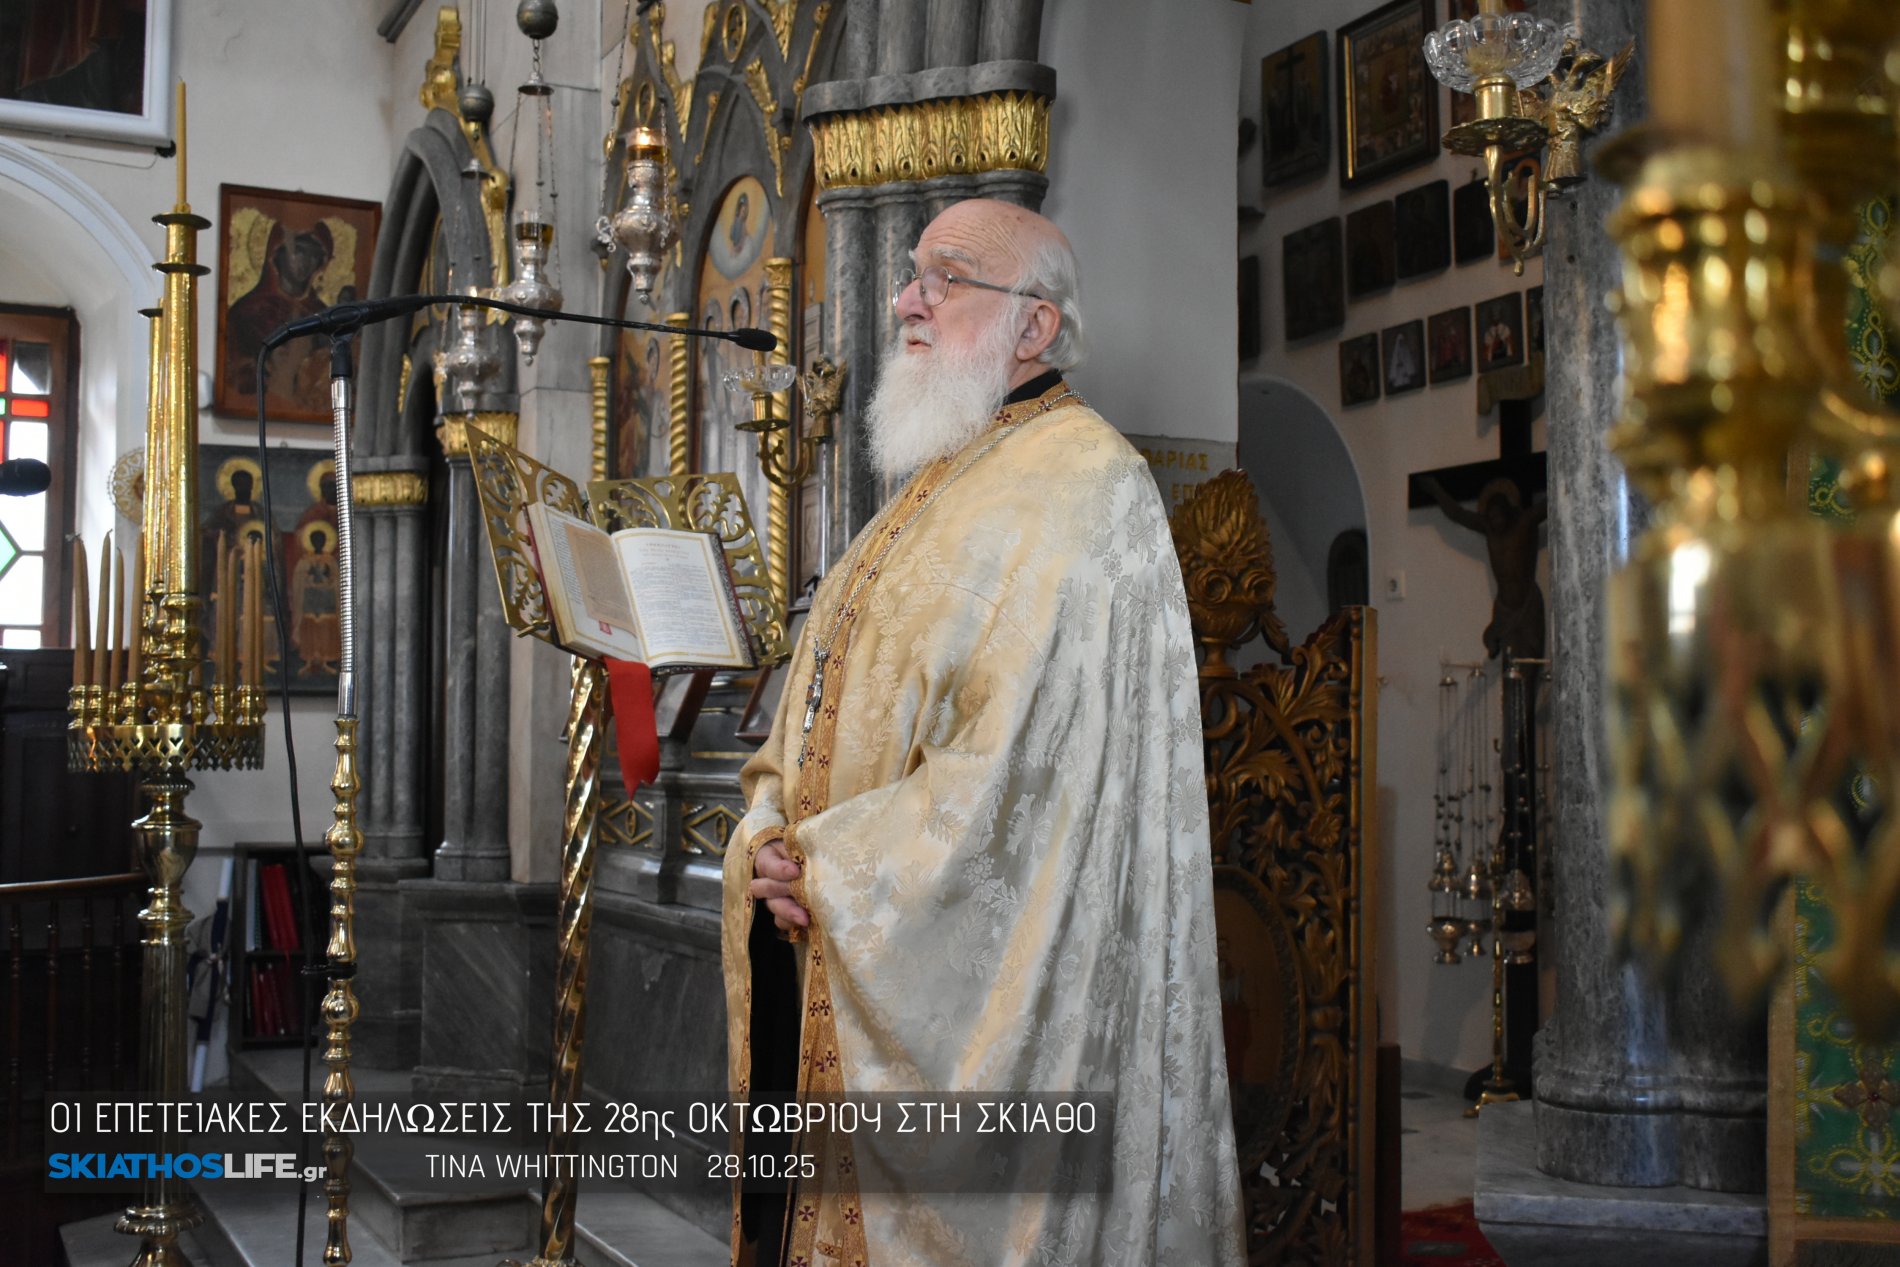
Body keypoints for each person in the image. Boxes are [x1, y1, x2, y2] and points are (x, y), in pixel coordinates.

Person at [724, 198, 1245, 1267]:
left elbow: (1019, 789)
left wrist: (823, 866)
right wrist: (766, 828)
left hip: (962, 1001)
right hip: (817, 935)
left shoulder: (1085, 485)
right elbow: (814, 708)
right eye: (913, 275)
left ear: (1035, 325)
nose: (905, 302)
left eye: (945, 279)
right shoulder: (936, 478)